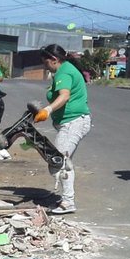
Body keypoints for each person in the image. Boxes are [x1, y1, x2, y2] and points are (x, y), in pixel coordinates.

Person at [35, 44, 91, 214]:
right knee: (63, 161)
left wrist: (48, 109)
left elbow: (64, 95)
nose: (45, 66)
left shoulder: (64, 72)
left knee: (58, 161)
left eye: (45, 62)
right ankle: (67, 198)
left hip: (73, 122)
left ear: (54, 60)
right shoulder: (66, 69)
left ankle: (68, 202)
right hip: (70, 122)